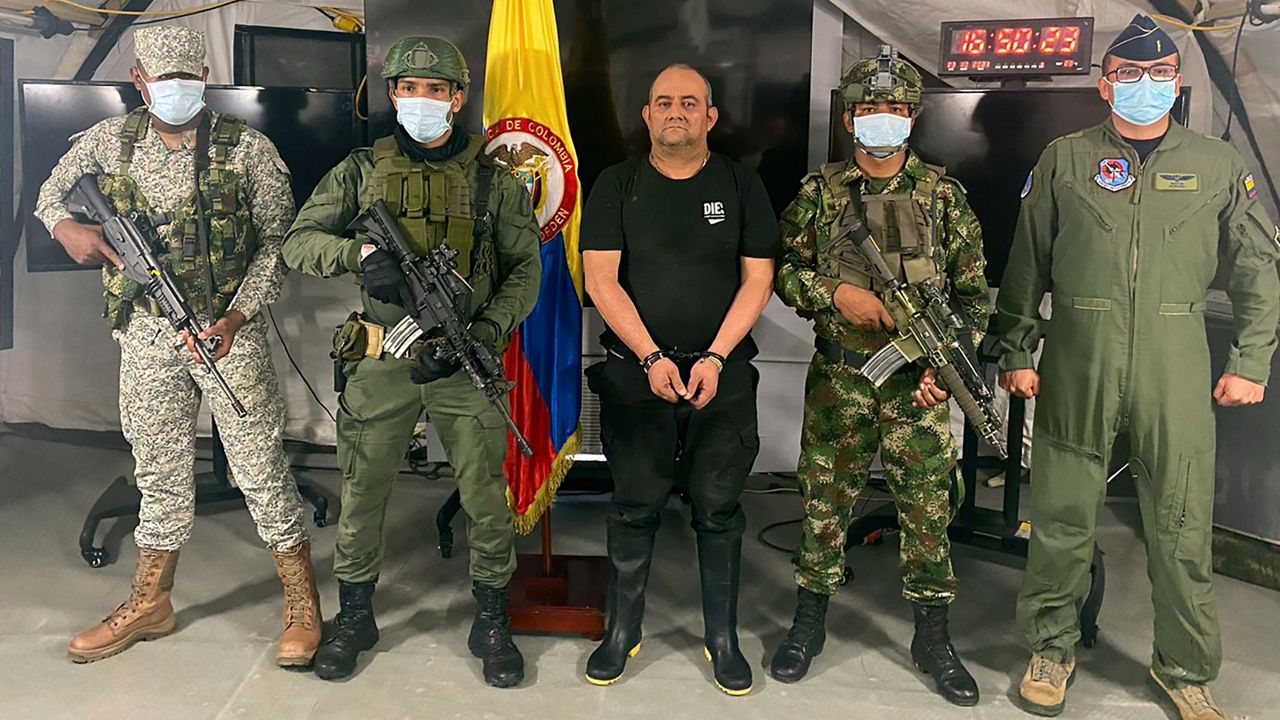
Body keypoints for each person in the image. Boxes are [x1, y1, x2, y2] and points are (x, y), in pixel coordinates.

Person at [998, 15, 1280, 720]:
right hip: (1078, 354)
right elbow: (1026, 263)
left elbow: (1259, 269)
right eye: (1127, 73)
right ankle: (1052, 648)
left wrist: (1251, 358)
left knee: (1182, 527)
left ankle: (1184, 667)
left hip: (1174, 358)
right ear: (1104, 85)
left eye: (1157, 75)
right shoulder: (1064, 158)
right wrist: (1014, 348)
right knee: (1061, 518)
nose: (1143, 86)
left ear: (1178, 84)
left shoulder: (1217, 166)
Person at [34, 25, 320, 668]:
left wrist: (240, 313)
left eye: (189, 82)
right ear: (140, 82)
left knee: (260, 468)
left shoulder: (248, 150)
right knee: (158, 472)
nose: (177, 93)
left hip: (227, 335)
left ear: (205, 82)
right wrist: (66, 230)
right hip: (145, 333)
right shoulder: (109, 141)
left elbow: (280, 242)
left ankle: (303, 605)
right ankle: (151, 602)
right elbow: (51, 196)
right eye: (165, 83)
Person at [281, 36, 541, 687]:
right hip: (380, 357)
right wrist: (361, 258)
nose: (421, 101)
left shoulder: (493, 179)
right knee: (364, 489)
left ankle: (490, 617)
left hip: (465, 357)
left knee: (486, 493)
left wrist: (482, 331)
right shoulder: (360, 171)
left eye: (435, 90)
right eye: (408, 88)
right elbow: (297, 243)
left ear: (457, 97)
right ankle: (357, 615)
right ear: (391, 95)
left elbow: (526, 271)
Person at [770, 46, 989, 707]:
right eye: (868, 110)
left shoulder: (945, 199)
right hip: (841, 379)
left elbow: (975, 297)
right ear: (849, 120)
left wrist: (944, 371)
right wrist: (834, 295)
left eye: (893, 110)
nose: (880, 121)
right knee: (822, 504)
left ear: (912, 118)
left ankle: (932, 635)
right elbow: (784, 271)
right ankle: (809, 620)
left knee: (926, 511)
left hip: (916, 387)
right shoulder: (818, 194)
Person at [579, 63, 778, 696]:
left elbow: (758, 280)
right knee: (633, 506)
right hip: (639, 375)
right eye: (662, 101)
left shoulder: (743, 185)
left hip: (722, 374)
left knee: (719, 511)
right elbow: (600, 280)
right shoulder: (616, 183)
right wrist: (650, 358)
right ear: (646, 114)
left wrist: (715, 358)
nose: (675, 112)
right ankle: (622, 631)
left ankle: (722, 638)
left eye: (689, 103)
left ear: (710, 117)